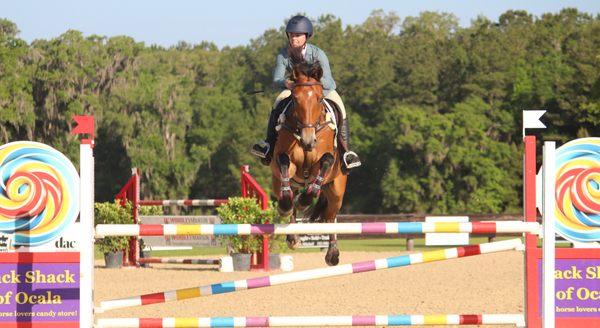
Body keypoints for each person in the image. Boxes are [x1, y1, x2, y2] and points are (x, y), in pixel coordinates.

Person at [250, 15, 361, 171]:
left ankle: (345, 152)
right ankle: (269, 145)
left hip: (321, 91)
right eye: (291, 35)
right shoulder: (283, 55)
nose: (293, 38)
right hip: (295, 91)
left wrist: (311, 87)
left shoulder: (318, 54)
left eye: (297, 35)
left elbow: (329, 82)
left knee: (340, 107)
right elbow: (276, 79)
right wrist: (286, 83)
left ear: (306, 37)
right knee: (277, 104)